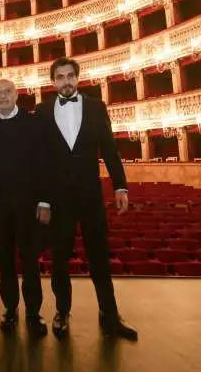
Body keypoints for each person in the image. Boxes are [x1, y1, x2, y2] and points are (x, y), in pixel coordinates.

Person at [35, 57, 138, 341]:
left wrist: (120, 187)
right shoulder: (42, 111)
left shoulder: (95, 106)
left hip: (90, 195)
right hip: (57, 198)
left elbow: (110, 149)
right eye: (60, 76)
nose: (65, 81)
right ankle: (62, 313)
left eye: (70, 76)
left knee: (99, 258)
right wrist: (43, 200)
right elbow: (41, 159)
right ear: (53, 81)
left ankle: (109, 315)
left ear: (77, 79)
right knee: (59, 261)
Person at [0, 79, 47, 336]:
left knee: (30, 260)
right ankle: (10, 308)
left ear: (16, 95)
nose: (3, 96)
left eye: (7, 92)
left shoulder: (33, 123)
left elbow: (43, 163)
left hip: (28, 205)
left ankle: (33, 312)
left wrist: (44, 201)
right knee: (5, 261)